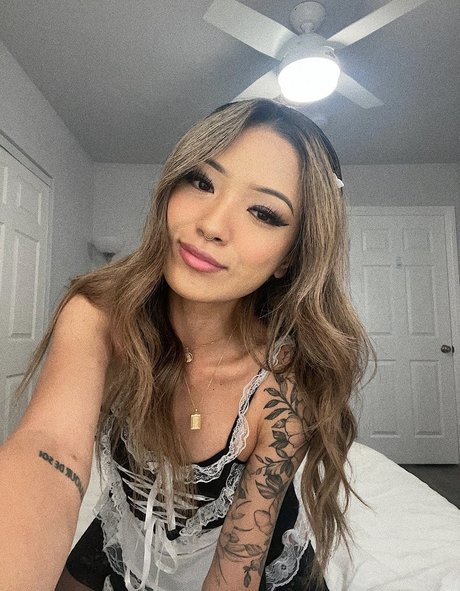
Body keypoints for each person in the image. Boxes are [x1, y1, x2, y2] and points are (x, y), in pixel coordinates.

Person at [0, 98, 376, 591]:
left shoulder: (283, 384)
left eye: (263, 212)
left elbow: (238, 563)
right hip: (134, 522)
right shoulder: (98, 314)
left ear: (289, 258)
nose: (212, 225)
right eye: (201, 181)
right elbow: (51, 447)